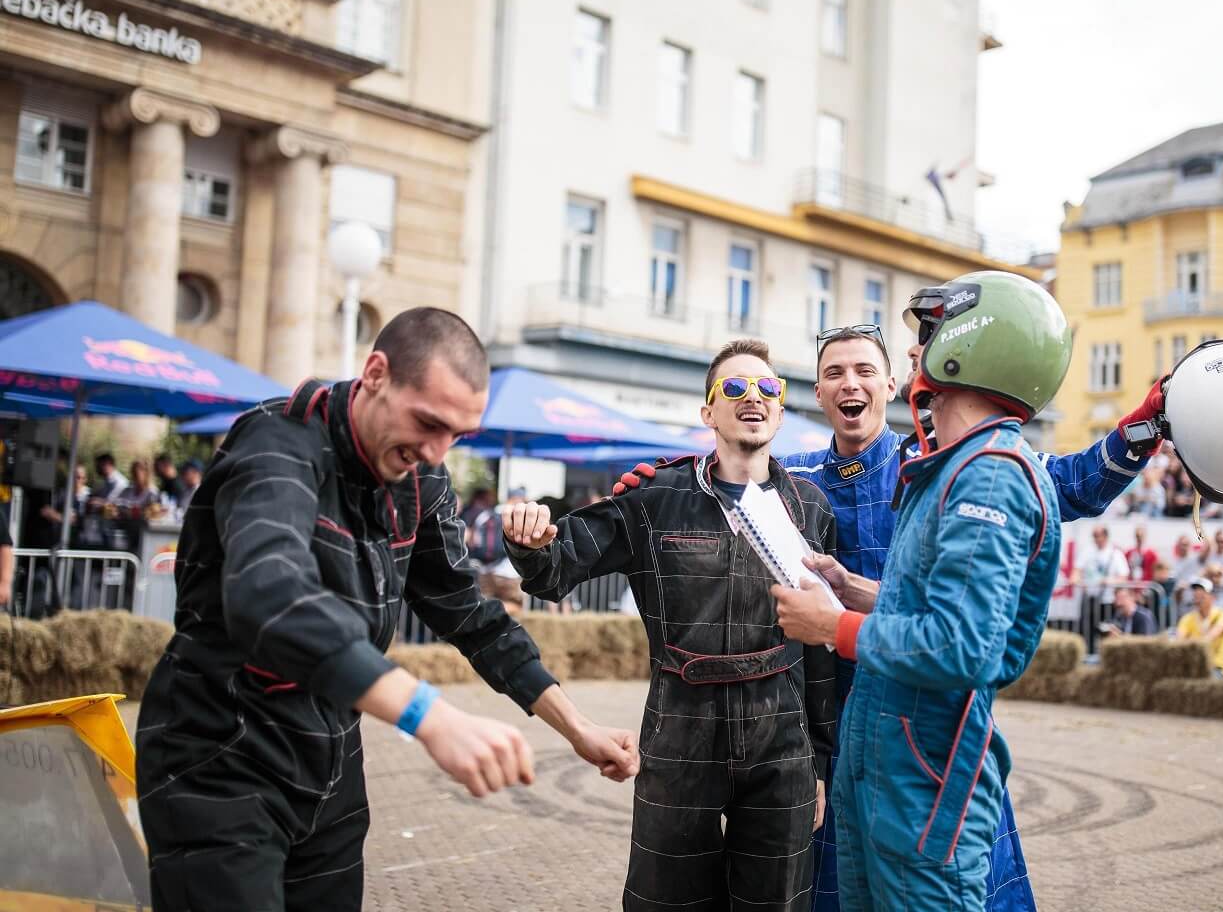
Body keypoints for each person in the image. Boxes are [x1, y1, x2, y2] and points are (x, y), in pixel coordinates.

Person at [134, 307, 639, 912]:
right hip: (222, 755)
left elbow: (470, 616)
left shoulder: (422, 479)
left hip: (331, 768)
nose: (434, 451)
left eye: (456, 435)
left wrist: (576, 726)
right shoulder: (277, 444)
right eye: (427, 423)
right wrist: (430, 715)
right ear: (375, 374)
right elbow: (270, 598)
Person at [502, 338, 838, 912]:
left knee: (776, 902)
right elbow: (556, 570)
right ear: (708, 412)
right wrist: (528, 541)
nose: (753, 397)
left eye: (767, 388)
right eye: (735, 387)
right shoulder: (653, 497)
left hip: (782, 737)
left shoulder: (810, 508)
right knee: (664, 900)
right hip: (680, 728)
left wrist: (820, 763)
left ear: (781, 410)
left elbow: (823, 652)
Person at [771, 270, 1069, 910]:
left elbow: (963, 647)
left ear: (972, 348)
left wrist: (831, 626)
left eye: (928, 336)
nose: (914, 350)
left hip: (923, 781)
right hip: (887, 769)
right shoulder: (951, 468)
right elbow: (931, 608)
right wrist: (852, 588)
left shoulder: (989, 476)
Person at [1175, 577, 1223, 677]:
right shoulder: (1187, 618)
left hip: (1217, 667)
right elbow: (1179, 640)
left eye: (1202, 595)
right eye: (1196, 595)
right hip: (1195, 667)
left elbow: (1211, 636)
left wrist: (1190, 642)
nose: (1198, 598)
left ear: (1212, 597)